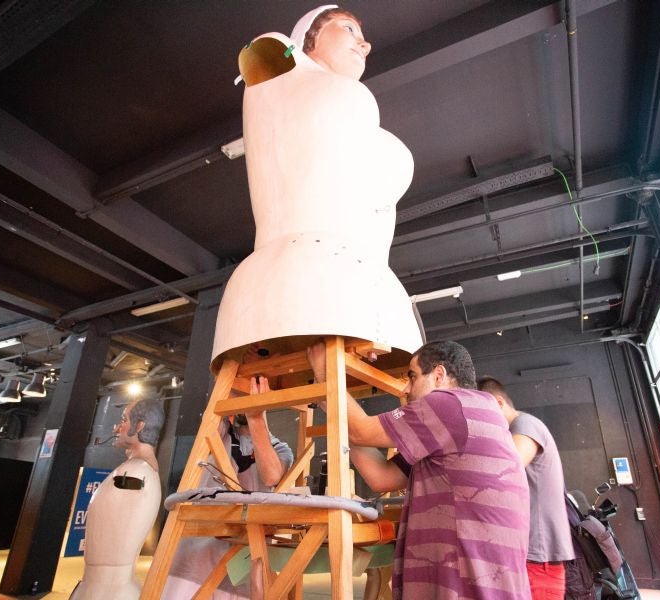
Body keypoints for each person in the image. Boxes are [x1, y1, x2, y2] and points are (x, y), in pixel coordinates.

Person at [210, 4, 422, 370]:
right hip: (298, 272)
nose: (365, 44)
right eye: (348, 29)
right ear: (308, 39)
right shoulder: (281, 65)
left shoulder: (333, 100)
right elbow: (262, 54)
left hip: (361, 287)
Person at [307, 339, 531, 599]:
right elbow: (381, 477)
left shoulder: (450, 404)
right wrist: (330, 401)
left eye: (412, 377)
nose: (406, 388)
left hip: (468, 584)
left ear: (439, 375)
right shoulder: (466, 418)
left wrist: (325, 375)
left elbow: (360, 431)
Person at [162, 375, 294, 600]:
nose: (244, 401)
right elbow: (221, 398)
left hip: (241, 555)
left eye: (250, 395)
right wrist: (242, 372)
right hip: (195, 553)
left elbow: (271, 475)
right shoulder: (219, 432)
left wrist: (256, 416)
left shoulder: (281, 449)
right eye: (242, 395)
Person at [478, 376, 575, 600]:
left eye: (482, 411)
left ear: (498, 403)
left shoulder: (524, 424)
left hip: (536, 562)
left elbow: (506, 469)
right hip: (528, 560)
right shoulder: (517, 429)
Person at [71, 398, 165, 600]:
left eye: (124, 420)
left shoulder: (136, 473)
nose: (117, 427)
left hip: (109, 591)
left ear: (140, 426)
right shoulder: (134, 471)